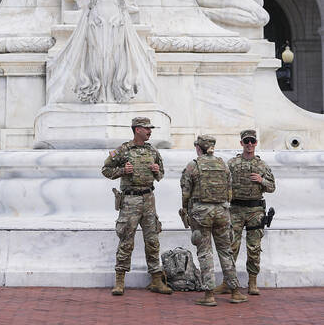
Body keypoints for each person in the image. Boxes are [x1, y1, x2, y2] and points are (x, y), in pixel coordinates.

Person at [102, 117, 171, 296]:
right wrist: (122, 171)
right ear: (137, 129)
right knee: (126, 240)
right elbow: (105, 170)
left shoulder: (153, 151)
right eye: (147, 128)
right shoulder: (123, 150)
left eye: (150, 128)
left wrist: (157, 171)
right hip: (130, 201)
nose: (150, 131)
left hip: (148, 199)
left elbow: (161, 174)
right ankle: (120, 281)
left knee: (153, 240)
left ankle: (156, 280)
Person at [180, 134, 248, 306]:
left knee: (205, 252)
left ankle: (209, 295)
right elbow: (230, 191)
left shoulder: (193, 166)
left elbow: (186, 192)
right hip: (222, 212)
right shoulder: (222, 164)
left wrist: (186, 209)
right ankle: (235, 291)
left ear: (198, 148)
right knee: (226, 251)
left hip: (201, 213)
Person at [214, 129, 276, 296]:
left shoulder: (262, 165)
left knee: (254, 248)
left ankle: (252, 282)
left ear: (256, 143)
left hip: (255, 211)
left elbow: (272, 187)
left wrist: (261, 180)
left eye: (252, 141)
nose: (249, 144)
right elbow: (222, 183)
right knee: (230, 247)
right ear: (241, 143)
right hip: (235, 210)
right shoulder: (232, 163)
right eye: (246, 141)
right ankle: (228, 282)